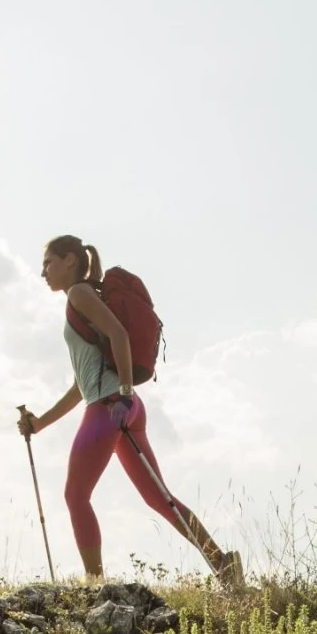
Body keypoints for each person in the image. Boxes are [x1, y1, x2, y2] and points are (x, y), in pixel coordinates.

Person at [16, 236, 242, 589]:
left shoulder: (79, 294)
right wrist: (41, 422)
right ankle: (223, 565)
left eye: (49, 263)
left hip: (110, 407)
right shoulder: (81, 300)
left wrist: (120, 393)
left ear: (71, 260)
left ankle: (94, 585)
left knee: (75, 496)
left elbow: (119, 335)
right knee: (159, 498)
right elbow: (81, 385)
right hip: (124, 407)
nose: (43, 271)